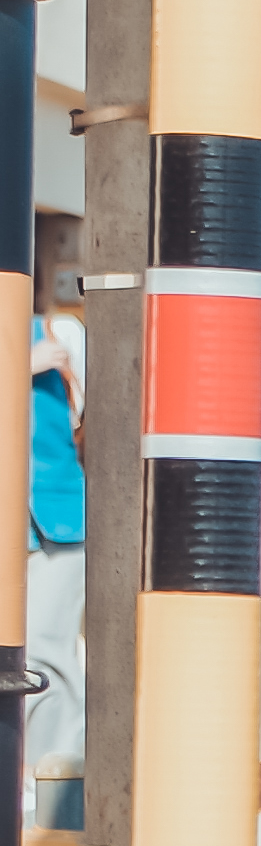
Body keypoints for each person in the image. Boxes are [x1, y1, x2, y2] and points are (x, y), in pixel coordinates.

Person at [25, 288, 83, 793]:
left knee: (47, 649)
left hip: (59, 518)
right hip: (23, 522)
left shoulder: (57, 330)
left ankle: (51, 778)